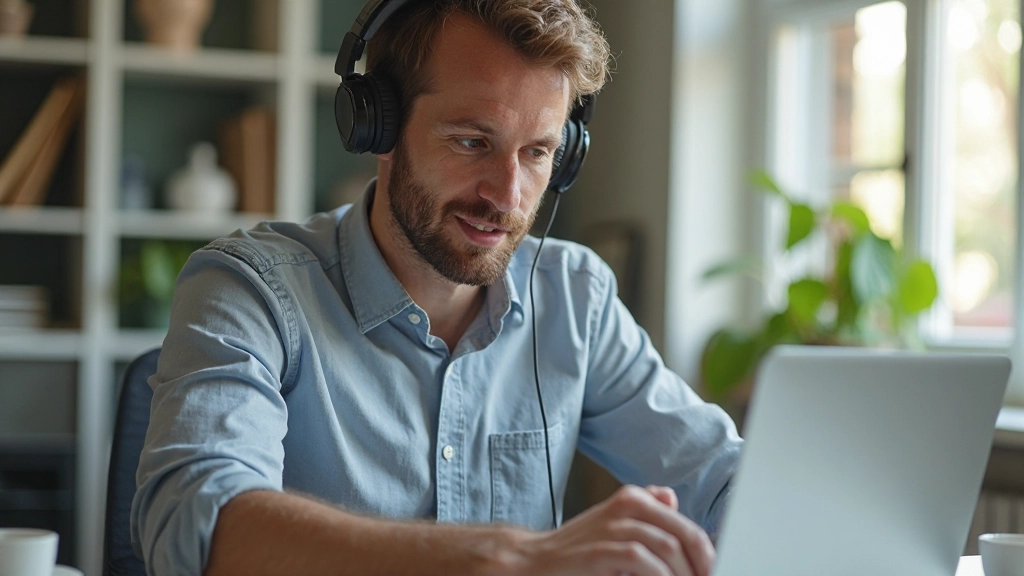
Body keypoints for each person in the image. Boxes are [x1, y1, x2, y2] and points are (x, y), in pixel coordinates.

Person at [130, 1, 743, 575]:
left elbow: (720, 476)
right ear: (379, 126)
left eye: (537, 153)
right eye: (472, 141)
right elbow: (194, 523)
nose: (507, 196)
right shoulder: (249, 289)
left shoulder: (574, 296)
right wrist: (511, 559)